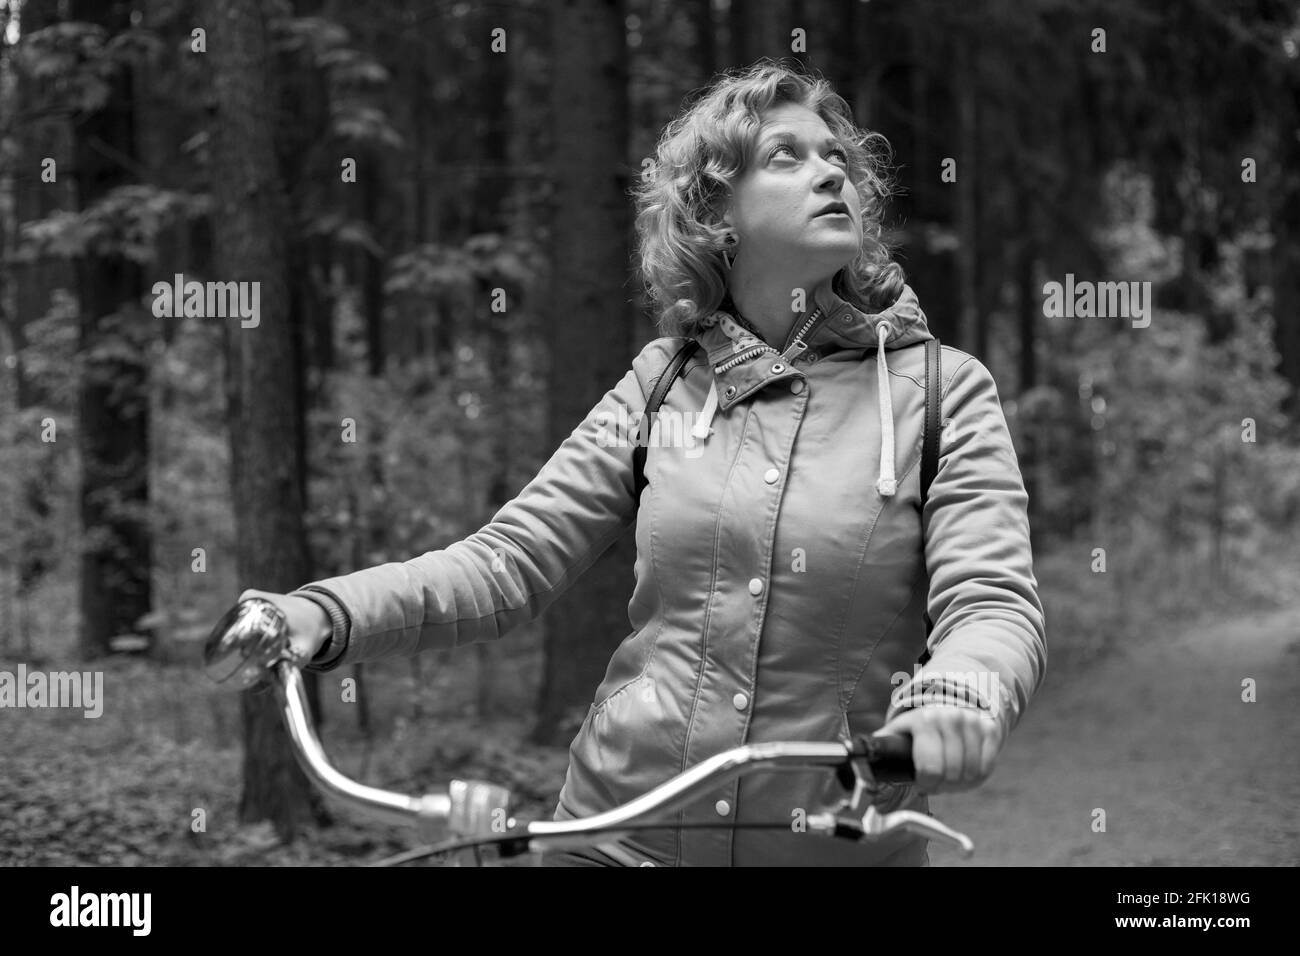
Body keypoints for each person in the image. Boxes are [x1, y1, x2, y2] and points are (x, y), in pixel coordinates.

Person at [241, 60, 1046, 867]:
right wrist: (323, 613)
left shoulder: (940, 391)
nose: (830, 170)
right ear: (716, 214)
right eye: (786, 157)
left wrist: (954, 697)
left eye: (836, 156)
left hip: (838, 846)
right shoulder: (661, 384)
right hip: (616, 836)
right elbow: (508, 562)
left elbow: (991, 601)